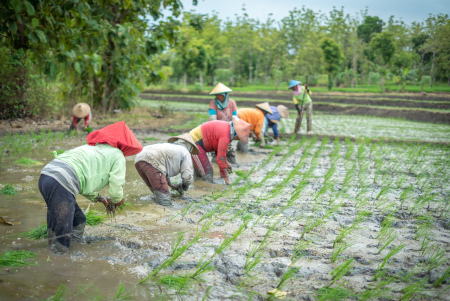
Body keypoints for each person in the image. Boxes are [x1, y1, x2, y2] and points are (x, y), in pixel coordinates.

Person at [38, 121, 142, 255]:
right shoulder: (117, 155)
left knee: (78, 219)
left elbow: (83, 182)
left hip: (47, 176)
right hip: (62, 182)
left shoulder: (90, 148)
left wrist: (100, 198)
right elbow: (116, 191)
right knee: (62, 233)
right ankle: (59, 259)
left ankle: (70, 247)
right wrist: (118, 200)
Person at [134, 134, 200, 206]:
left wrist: (173, 186)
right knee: (164, 199)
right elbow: (187, 178)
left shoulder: (169, 147)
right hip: (151, 159)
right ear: (190, 146)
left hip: (139, 158)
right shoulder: (185, 152)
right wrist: (184, 187)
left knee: (157, 194)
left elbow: (162, 171)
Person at [188, 119, 251, 185]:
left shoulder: (228, 129)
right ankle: (204, 189)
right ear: (237, 134)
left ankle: (197, 185)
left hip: (197, 140)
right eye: (239, 138)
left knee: (200, 172)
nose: (238, 139)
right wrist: (227, 179)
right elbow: (220, 159)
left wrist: (226, 163)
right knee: (207, 172)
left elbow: (220, 151)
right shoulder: (226, 135)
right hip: (194, 142)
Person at [208, 82, 238, 164]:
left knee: (229, 149)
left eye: (221, 95)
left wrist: (233, 128)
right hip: (215, 128)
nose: (218, 97)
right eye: (217, 95)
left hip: (228, 129)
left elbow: (235, 117)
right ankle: (215, 166)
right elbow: (213, 118)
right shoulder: (213, 103)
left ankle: (231, 164)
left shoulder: (231, 103)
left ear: (225, 95)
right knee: (216, 149)